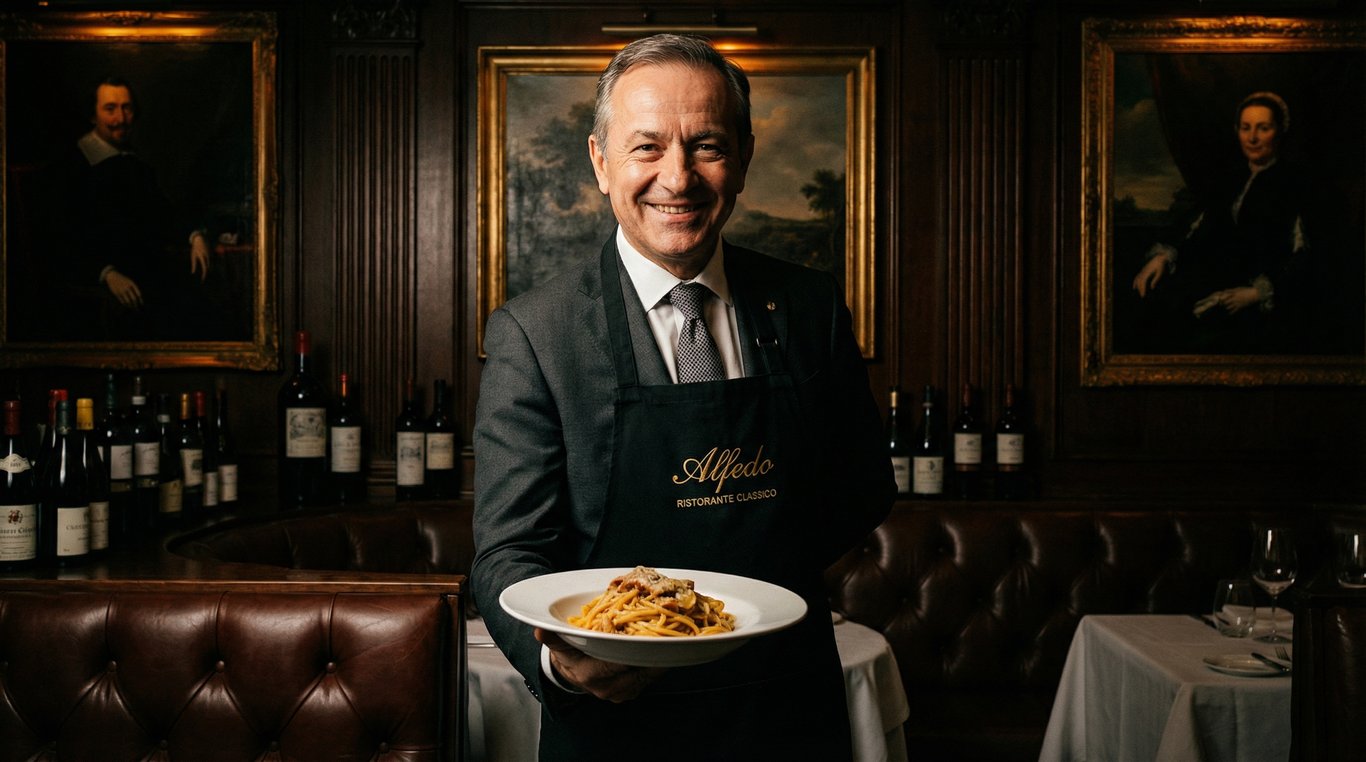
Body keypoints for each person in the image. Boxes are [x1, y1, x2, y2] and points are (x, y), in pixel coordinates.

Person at [471, 34, 895, 760]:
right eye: (646, 148)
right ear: (601, 162)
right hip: (618, 718)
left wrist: (768, 586)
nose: (678, 177)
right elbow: (508, 551)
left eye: (706, 145)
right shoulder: (534, 334)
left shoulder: (809, 306)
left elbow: (860, 488)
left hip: (788, 706)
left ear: (745, 157)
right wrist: (562, 662)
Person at [1130, 91, 1311, 354]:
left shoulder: (1295, 184)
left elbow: (1305, 253)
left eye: (1263, 128)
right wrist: (1162, 257)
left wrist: (1257, 293)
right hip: (1211, 286)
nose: (1252, 138)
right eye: (1245, 128)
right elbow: (1195, 227)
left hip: (1256, 302)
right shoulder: (1229, 180)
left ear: (1280, 131)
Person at [39, 76, 210, 340]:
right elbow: (61, 238)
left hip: (146, 274)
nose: (121, 117)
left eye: (127, 108)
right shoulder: (71, 167)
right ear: (92, 116)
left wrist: (194, 234)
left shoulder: (133, 164)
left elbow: (163, 212)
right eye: (110, 109)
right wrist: (105, 273)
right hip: (96, 283)